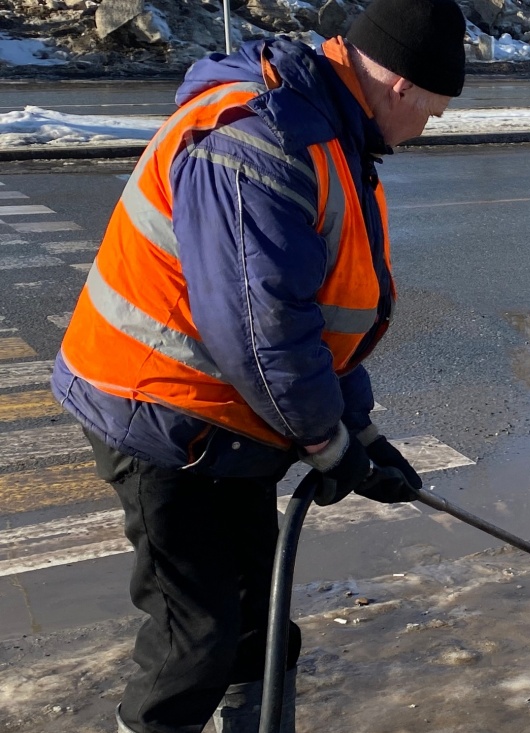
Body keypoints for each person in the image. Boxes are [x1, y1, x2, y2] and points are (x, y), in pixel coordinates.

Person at [50, 0, 466, 730]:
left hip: (225, 419)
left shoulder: (329, 132)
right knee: (195, 642)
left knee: (255, 625)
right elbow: (262, 334)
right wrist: (326, 442)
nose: (425, 130)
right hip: (158, 414)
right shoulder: (261, 139)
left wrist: (359, 434)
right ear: (401, 85)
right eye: (431, 112)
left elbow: (319, 315)